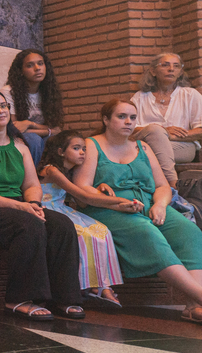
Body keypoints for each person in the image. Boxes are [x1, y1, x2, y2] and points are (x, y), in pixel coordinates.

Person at [0, 90, 84, 320]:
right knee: (28, 225)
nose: (0, 111)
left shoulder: (20, 145)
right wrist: (20, 207)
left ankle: (64, 297)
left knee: (61, 225)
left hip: (16, 207)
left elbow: (32, 184)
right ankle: (19, 299)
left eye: (3, 106)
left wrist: (32, 203)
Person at [77, 99, 202, 324]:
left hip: (149, 204)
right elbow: (82, 187)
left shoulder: (142, 147)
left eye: (133, 118)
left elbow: (163, 186)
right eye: (121, 116)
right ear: (106, 120)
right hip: (111, 208)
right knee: (148, 233)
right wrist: (115, 202)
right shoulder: (92, 145)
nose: (128, 122)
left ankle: (193, 306)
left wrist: (160, 205)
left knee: (189, 232)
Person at [36, 130, 128, 307]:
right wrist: (120, 201)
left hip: (63, 209)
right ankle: (83, 286)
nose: (82, 153)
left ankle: (102, 286)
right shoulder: (52, 170)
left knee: (101, 231)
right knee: (82, 234)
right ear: (61, 151)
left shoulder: (70, 171)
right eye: (76, 148)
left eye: (84, 149)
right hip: (48, 210)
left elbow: (82, 203)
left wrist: (99, 187)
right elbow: (84, 197)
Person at [130, 52, 202, 188]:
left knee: (140, 152)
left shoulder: (190, 95)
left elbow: (200, 130)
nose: (171, 69)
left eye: (176, 66)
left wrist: (168, 136)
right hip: (146, 145)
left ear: (180, 72)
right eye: (165, 65)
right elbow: (130, 128)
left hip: (182, 146)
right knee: (155, 130)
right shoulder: (140, 97)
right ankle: (172, 186)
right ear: (153, 71)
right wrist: (162, 132)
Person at [1, 49, 63, 167]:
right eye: (30, 65)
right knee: (33, 139)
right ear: (21, 71)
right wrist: (48, 131)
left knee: (61, 141)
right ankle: (30, 180)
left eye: (40, 63)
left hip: (38, 134)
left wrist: (30, 124)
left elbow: (55, 127)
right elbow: (13, 127)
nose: (37, 68)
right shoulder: (9, 91)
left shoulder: (49, 92)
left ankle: (52, 180)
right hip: (12, 137)